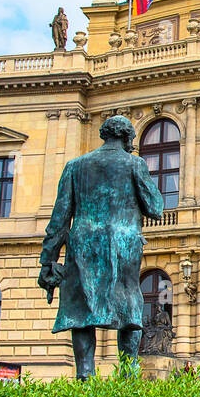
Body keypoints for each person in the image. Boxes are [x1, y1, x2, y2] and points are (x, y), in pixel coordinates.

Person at [39, 115, 164, 380]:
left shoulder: (75, 166)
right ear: (129, 138)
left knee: (81, 310)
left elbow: (59, 220)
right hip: (123, 244)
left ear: (104, 135)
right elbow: (155, 208)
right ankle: (128, 375)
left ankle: (85, 376)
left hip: (83, 244)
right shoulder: (134, 164)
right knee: (129, 306)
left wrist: (48, 261)